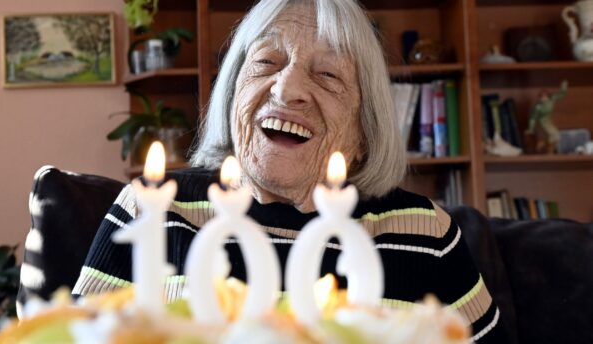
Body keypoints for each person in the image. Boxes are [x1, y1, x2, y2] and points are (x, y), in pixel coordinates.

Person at [73, 0, 507, 341]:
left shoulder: (425, 232)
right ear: (232, 94)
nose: (288, 88)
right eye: (266, 63)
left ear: (363, 128)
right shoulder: (153, 208)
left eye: (327, 74)